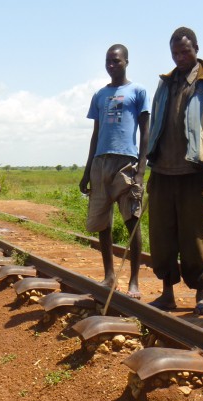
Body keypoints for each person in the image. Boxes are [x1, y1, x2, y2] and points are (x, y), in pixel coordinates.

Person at [146, 26, 203, 315]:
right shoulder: (165, 83)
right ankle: (167, 294)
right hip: (162, 172)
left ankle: (201, 295)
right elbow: (156, 123)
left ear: (196, 49)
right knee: (162, 237)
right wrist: (149, 162)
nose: (181, 57)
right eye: (176, 52)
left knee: (193, 237)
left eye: (185, 51)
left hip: (193, 173)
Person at [79, 44, 150, 298]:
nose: (112, 65)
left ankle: (134, 281)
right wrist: (87, 170)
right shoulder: (99, 95)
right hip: (101, 162)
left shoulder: (138, 92)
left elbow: (145, 133)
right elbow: (96, 133)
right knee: (102, 223)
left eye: (116, 61)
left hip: (126, 162)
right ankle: (109, 275)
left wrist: (141, 170)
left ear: (127, 62)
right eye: (108, 61)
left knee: (132, 221)